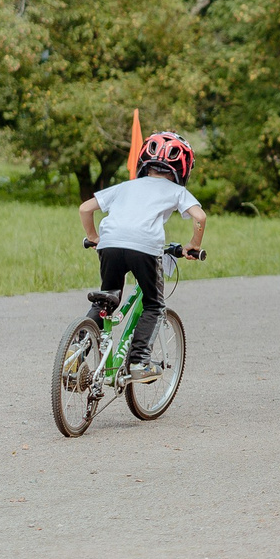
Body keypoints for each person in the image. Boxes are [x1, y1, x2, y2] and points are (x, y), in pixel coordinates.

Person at [78, 132, 206, 378]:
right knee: (154, 304)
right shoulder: (176, 191)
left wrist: (94, 237)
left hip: (110, 243)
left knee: (107, 299)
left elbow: (85, 208)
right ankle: (139, 361)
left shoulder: (126, 186)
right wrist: (193, 245)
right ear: (183, 168)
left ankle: (77, 350)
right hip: (145, 247)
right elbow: (199, 217)